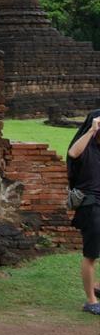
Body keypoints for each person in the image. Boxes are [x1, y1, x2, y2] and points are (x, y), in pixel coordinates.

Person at [67, 109, 100, 315]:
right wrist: (91, 130)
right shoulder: (85, 148)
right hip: (91, 206)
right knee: (91, 255)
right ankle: (91, 301)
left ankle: (97, 287)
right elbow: (72, 153)